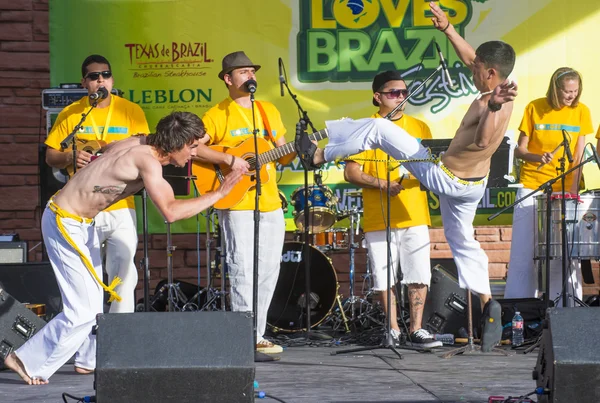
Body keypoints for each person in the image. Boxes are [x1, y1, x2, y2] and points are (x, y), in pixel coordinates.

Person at [301, 1, 517, 351]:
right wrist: (448, 29)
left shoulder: (492, 102)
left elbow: (481, 141)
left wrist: (491, 108)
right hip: (471, 189)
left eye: (477, 68)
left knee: (377, 127)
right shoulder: (503, 85)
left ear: (490, 73)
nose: (471, 69)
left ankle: (319, 153)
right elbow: (470, 58)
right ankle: (488, 303)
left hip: (447, 177)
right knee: (463, 241)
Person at [4, 111, 241, 385]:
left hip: (79, 222)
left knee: (91, 308)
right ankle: (23, 359)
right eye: (192, 147)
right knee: (82, 310)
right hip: (64, 221)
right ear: (176, 143)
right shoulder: (148, 161)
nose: (195, 154)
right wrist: (220, 194)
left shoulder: (139, 141)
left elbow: (108, 152)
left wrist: (228, 159)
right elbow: (171, 212)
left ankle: (39, 361)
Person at [200, 51, 296, 355]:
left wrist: (304, 148)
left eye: (252, 71)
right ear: (228, 79)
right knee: (242, 268)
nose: (250, 76)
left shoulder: (268, 110)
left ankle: (257, 333)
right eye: (242, 72)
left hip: (269, 201)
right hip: (237, 201)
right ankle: (245, 335)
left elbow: (284, 154)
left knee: (269, 269)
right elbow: (194, 149)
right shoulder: (217, 113)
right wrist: (230, 159)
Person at [45, 54, 149, 319]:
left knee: (124, 273)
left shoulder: (131, 110)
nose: (101, 80)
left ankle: (119, 334)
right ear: (84, 82)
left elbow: (145, 149)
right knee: (88, 272)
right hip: (83, 207)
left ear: (112, 79)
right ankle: (89, 332)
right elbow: (50, 156)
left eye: (105, 74)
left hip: (121, 203)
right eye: (94, 76)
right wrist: (70, 156)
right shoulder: (72, 113)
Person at [343, 71, 441, 348]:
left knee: (419, 272)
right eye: (393, 93)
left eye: (404, 92)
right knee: (383, 275)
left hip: (414, 212)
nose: (401, 97)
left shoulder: (420, 127)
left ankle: (417, 329)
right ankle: (393, 329)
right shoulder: (365, 127)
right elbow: (351, 172)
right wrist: (381, 183)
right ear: (378, 97)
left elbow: (431, 168)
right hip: (379, 216)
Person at [504, 68, 592, 305]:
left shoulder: (581, 111)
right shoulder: (534, 107)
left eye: (575, 91)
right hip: (532, 185)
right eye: (567, 91)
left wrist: (572, 190)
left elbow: (579, 154)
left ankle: (565, 309)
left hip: (566, 189)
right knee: (523, 251)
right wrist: (536, 157)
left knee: (563, 254)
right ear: (555, 88)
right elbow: (520, 150)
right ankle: (519, 309)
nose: (571, 96)